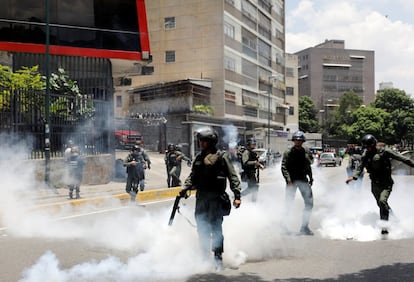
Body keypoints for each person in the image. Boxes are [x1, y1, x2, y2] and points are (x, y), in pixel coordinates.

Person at [179, 128, 241, 271]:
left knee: (216, 229)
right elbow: (192, 176)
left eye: (204, 141)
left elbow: (233, 176)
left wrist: (237, 196)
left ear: (211, 142)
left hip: (216, 199)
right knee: (202, 228)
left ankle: (218, 258)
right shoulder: (199, 158)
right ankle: (203, 257)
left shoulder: (222, 157)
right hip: (201, 199)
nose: (201, 143)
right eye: (200, 140)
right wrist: (185, 188)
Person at [346, 134, 414, 235]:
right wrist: (354, 177)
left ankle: (384, 227)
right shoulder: (366, 154)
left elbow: (402, 158)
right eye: (366, 147)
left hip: (386, 183)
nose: (367, 149)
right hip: (374, 184)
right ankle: (394, 219)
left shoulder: (384, 151)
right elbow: (360, 167)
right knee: (381, 204)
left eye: (369, 147)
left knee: (382, 201)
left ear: (373, 145)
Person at [281, 131, 314, 235]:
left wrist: (311, 177)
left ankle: (305, 227)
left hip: (303, 179)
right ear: (293, 141)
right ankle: (283, 226)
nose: (298, 142)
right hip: (292, 180)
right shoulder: (288, 152)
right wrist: (288, 180)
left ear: (303, 141)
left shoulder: (306, 151)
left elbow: (310, 164)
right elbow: (283, 167)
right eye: (296, 140)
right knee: (288, 203)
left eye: (300, 140)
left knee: (309, 203)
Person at [241, 138, 263, 202]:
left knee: (254, 187)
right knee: (253, 188)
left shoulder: (251, 152)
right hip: (248, 173)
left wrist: (259, 165)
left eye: (254, 144)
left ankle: (253, 201)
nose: (254, 145)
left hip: (252, 173)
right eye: (252, 144)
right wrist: (254, 162)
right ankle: (238, 196)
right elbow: (245, 162)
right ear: (248, 144)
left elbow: (255, 161)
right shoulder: (246, 152)